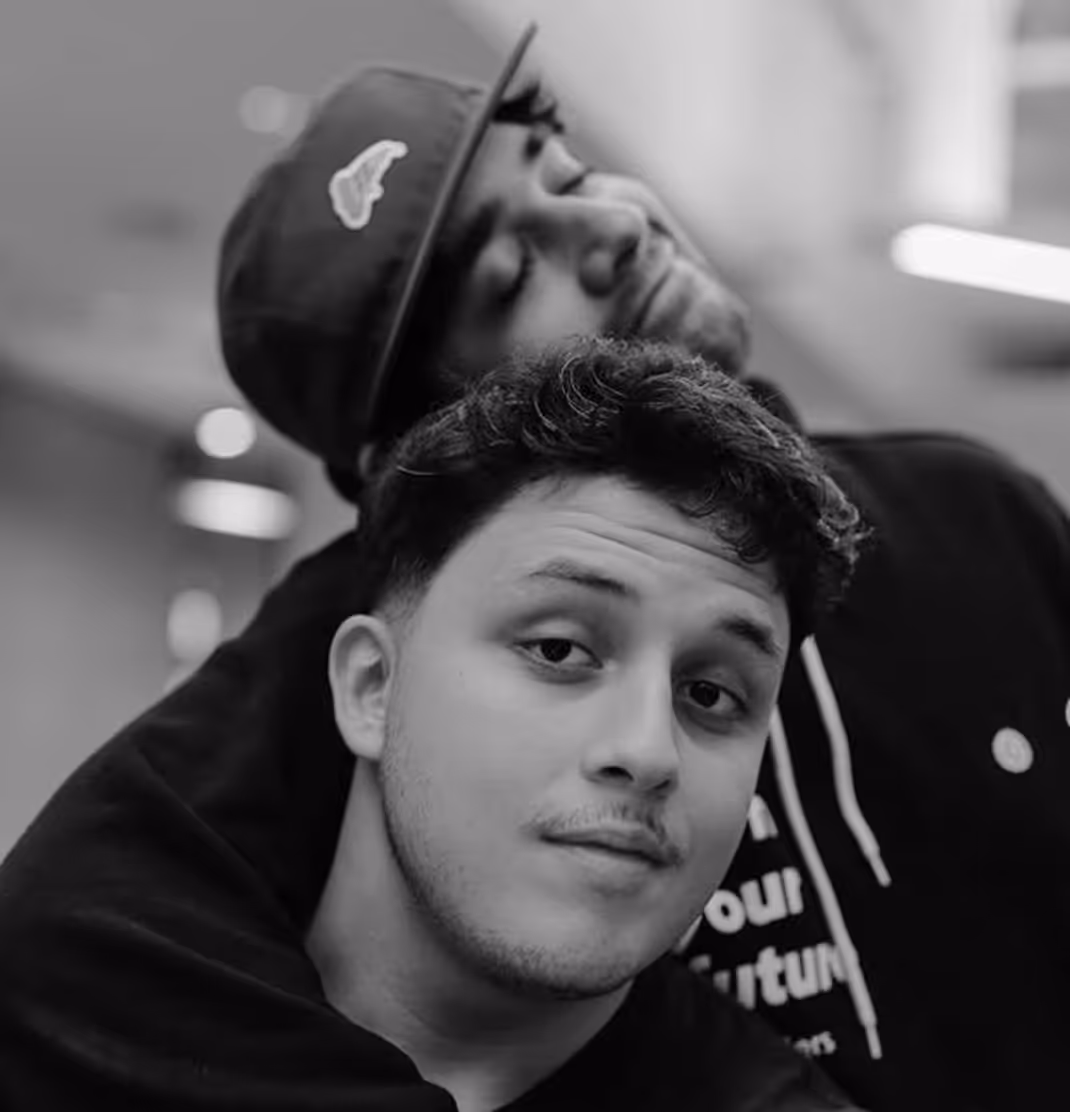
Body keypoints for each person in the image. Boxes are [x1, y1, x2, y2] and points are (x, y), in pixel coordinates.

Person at [2, 24, 1068, 1111]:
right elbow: (73, 944)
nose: (615, 225)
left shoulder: (969, 517)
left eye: (567, 174)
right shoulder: (365, 661)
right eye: (513, 275)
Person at [0, 337, 867, 1111]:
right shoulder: (69, 1024)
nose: (646, 751)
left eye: (711, 694)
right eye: (559, 650)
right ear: (371, 686)